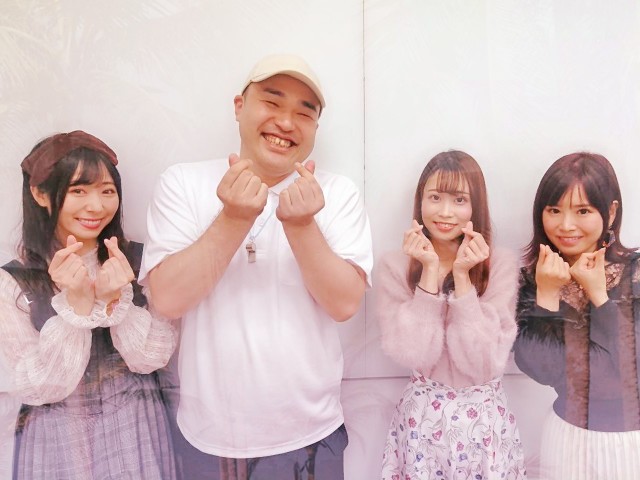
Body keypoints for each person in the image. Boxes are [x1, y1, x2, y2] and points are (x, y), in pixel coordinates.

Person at [139, 54, 372, 478]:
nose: (286, 122)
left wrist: (302, 225)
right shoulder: (184, 183)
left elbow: (344, 304)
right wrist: (233, 218)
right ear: (239, 106)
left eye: (304, 112)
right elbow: (168, 299)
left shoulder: (336, 193)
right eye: (272, 101)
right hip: (210, 436)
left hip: (312, 434)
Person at [0, 131, 178, 479]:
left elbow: (154, 357)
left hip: (135, 428)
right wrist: (76, 307)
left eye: (107, 191)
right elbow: (37, 387)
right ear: (40, 194)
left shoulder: (139, 260)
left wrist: (115, 303)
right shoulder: (14, 281)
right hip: (57, 440)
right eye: (78, 191)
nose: (96, 206)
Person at [377, 151, 527, 480]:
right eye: (435, 197)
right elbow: (414, 354)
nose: (445, 212)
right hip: (422, 423)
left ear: (476, 207)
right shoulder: (394, 266)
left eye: (460, 200)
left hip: (484, 423)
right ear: (420, 202)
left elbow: (483, 364)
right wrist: (429, 273)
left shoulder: (500, 265)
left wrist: (462, 279)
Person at [514, 152, 640, 479]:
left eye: (582, 211)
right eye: (554, 210)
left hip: (630, 443)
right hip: (565, 440)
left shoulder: (635, 272)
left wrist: (599, 294)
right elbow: (540, 369)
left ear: (611, 212)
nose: (566, 225)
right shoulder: (535, 278)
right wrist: (546, 294)